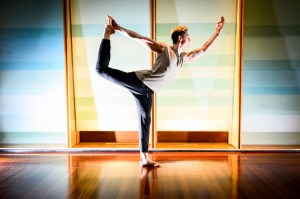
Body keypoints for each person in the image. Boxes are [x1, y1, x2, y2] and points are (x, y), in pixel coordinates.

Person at [96, 15, 225, 167]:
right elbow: (140, 38)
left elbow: (203, 49)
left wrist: (217, 32)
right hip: (138, 81)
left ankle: (144, 159)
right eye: (188, 36)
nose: (190, 39)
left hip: (147, 92)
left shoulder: (183, 58)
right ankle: (107, 33)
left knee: (145, 121)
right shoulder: (165, 49)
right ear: (180, 38)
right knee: (101, 70)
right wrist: (118, 28)